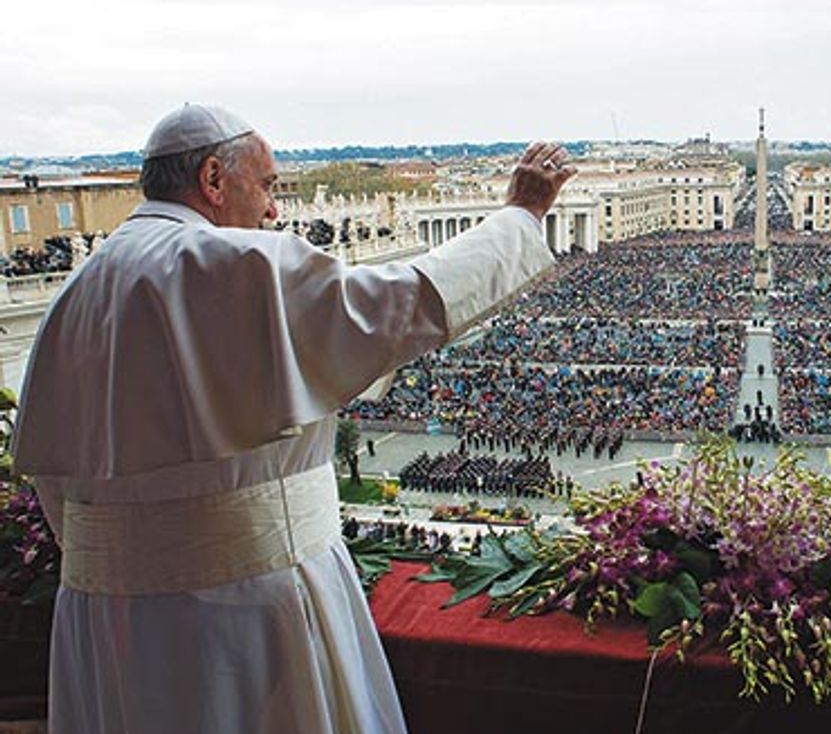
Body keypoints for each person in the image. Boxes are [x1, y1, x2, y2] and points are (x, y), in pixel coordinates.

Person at [11, 104, 575, 734]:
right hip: (245, 611)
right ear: (214, 180)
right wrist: (520, 216)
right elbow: (401, 304)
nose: (276, 210)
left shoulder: (77, 292)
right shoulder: (233, 265)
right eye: (269, 186)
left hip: (104, 623)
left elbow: (57, 487)